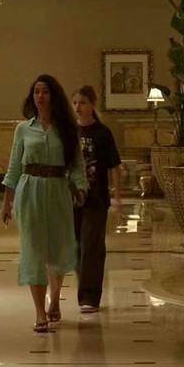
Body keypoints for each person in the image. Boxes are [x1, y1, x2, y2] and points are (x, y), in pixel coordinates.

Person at [1, 75, 87, 333]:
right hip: (30, 192)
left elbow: (77, 164)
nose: (40, 96)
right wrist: (7, 202)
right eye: (36, 91)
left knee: (57, 250)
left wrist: (80, 188)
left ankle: (54, 299)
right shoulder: (23, 129)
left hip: (58, 191)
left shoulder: (67, 130)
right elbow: (14, 167)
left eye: (45, 92)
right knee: (34, 251)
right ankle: (40, 312)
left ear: (54, 96)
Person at [72, 86, 122, 313]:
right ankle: (84, 285)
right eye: (75, 103)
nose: (77, 107)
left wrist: (117, 196)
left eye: (82, 102)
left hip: (96, 198)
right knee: (76, 247)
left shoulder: (102, 132)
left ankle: (89, 297)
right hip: (72, 198)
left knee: (91, 245)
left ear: (92, 104)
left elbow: (114, 166)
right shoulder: (70, 131)